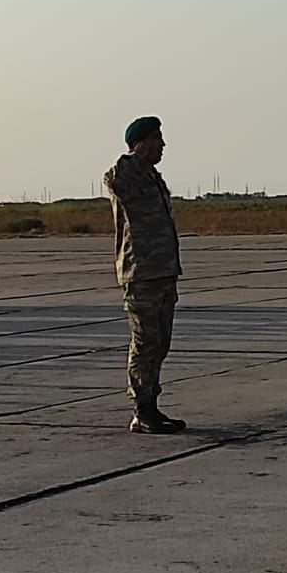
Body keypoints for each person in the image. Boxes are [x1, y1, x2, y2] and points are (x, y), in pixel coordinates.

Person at [103, 116, 186, 435]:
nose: (163, 145)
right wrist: (135, 154)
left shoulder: (153, 179)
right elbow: (116, 177)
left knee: (160, 342)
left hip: (163, 272)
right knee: (145, 342)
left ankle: (151, 406)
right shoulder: (126, 176)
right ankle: (142, 410)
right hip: (141, 274)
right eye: (156, 139)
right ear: (139, 144)